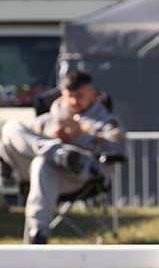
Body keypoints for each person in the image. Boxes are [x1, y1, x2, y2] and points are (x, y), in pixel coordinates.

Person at [0, 70, 127, 244]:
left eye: (80, 96)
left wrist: (81, 137)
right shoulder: (45, 120)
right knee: (11, 128)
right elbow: (11, 147)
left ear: (93, 93)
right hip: (34, 175)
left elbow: (121, 150)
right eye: (70, 96)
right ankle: (58, 152)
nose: (74, 101)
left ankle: (38, 234)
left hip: (82, 178)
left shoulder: (107, 121)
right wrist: (53, 140)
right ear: (62, 94)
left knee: (41, 162)